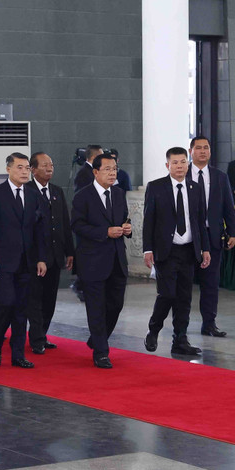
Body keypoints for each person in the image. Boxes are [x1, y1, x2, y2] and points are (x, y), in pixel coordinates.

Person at [143, 147, 211, 356]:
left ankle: (180, 340)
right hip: (166, 251)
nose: (179, 166)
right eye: (175, 162)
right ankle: (154, 329)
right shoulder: (156, 187)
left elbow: (200, 221)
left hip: (189, 250)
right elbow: (149, 221)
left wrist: (205, 248)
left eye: (183, 162)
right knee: (167, 294)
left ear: (187, 164)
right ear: (168, 165)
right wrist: (147, 249)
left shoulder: (195, 188)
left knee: (184, 298)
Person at [0, 153, 48, 368]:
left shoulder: (32, 195)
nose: (24, 171)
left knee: (22, 308)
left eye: (27, 167)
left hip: (27, 261)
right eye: (19, 167)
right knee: (6, 303)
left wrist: (41, 258)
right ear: (8, 169)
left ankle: (18, 354)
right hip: (3, 262)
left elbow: (38, 230)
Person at [71, 153, 130, 368]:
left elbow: (124, 218)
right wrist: (104, 232)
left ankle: (96, 339)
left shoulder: (119, 193)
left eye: (114, 169)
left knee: (116, 305)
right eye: (107, 169)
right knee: (96, 308)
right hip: (92, 261)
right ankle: (101, 352)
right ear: (95, 172)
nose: (112, 173)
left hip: (117, 260)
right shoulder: (83, 196)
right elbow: (77, 225)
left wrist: (127, 228)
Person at [188, 136, 235, 337]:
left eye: (206, 148)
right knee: (184, 283)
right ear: (191, 151)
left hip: (213, 235)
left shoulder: (219, 176)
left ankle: (209, 323)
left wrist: (233, 231)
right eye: (198, 148)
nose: (203, 151)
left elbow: (228, 206)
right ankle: (180, 326)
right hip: (188, 236)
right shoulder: (182, 175)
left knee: (210, 283)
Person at [27, 152, 74, 353]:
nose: (49, 168)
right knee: (35, 299)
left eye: (51, 165)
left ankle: (43, 334)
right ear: (33, 169)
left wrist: (69, 251)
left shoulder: (57, 191)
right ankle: (36, 338)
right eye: (45, 165)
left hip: (55, 255)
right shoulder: (27, 191)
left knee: (49, 299)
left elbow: (64, 222)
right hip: (36, 257)